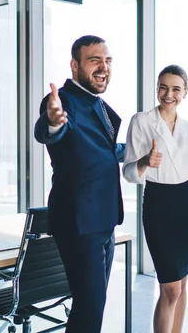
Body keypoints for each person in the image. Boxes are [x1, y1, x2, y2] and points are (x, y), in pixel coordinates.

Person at [34, 35, 124, 332]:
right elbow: (53, 130)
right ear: (75, 65)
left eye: (107, 60)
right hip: (79, 221)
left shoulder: (95, 104)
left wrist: (140, 152)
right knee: (90, 306)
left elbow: (103, 150)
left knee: (89, 308)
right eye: (94, 60)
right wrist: (54, 121)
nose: (103, 67)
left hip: (104, 221)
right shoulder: (62, 102)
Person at [122, 65, 188, 333]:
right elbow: (127, 171)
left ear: (185, 92)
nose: (168, 94)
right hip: (159, 205)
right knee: (169, 287)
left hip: (186, 204)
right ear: (156, 88)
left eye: (175, 89)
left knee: (182, 284)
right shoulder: (141, 121)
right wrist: (145, 161)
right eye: (163, 87)